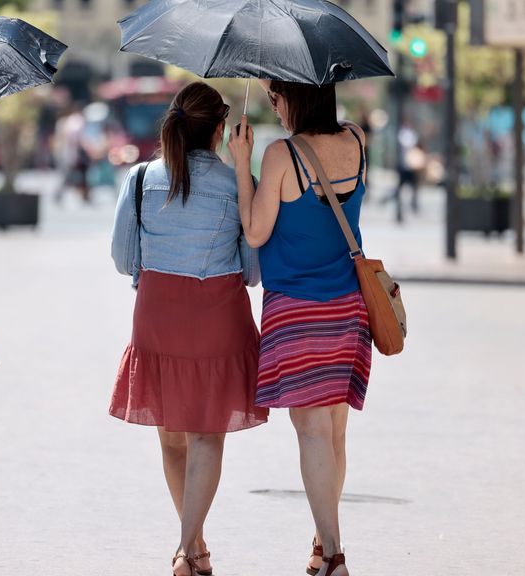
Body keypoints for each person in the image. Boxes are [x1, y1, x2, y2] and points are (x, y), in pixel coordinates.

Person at [110, 81, 267, 576]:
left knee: (171, 439)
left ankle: (194, 546)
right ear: (221, 130)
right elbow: (252, 270)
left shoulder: (139, 179)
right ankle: (186, 546)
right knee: (206, 437)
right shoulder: (235, 184)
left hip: (157, 315)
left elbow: (122, 259)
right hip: (217, 314)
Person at [229, 80, 373, 576]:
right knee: (333, 431)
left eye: (276, 98)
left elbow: (254, 230)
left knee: (311, 432)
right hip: (349, 306)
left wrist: (241, 167)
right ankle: (321, 542)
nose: (274, 105)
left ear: (295, 97)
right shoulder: (356, 139)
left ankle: (334, 553)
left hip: (297, 310)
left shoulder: (279, 156)